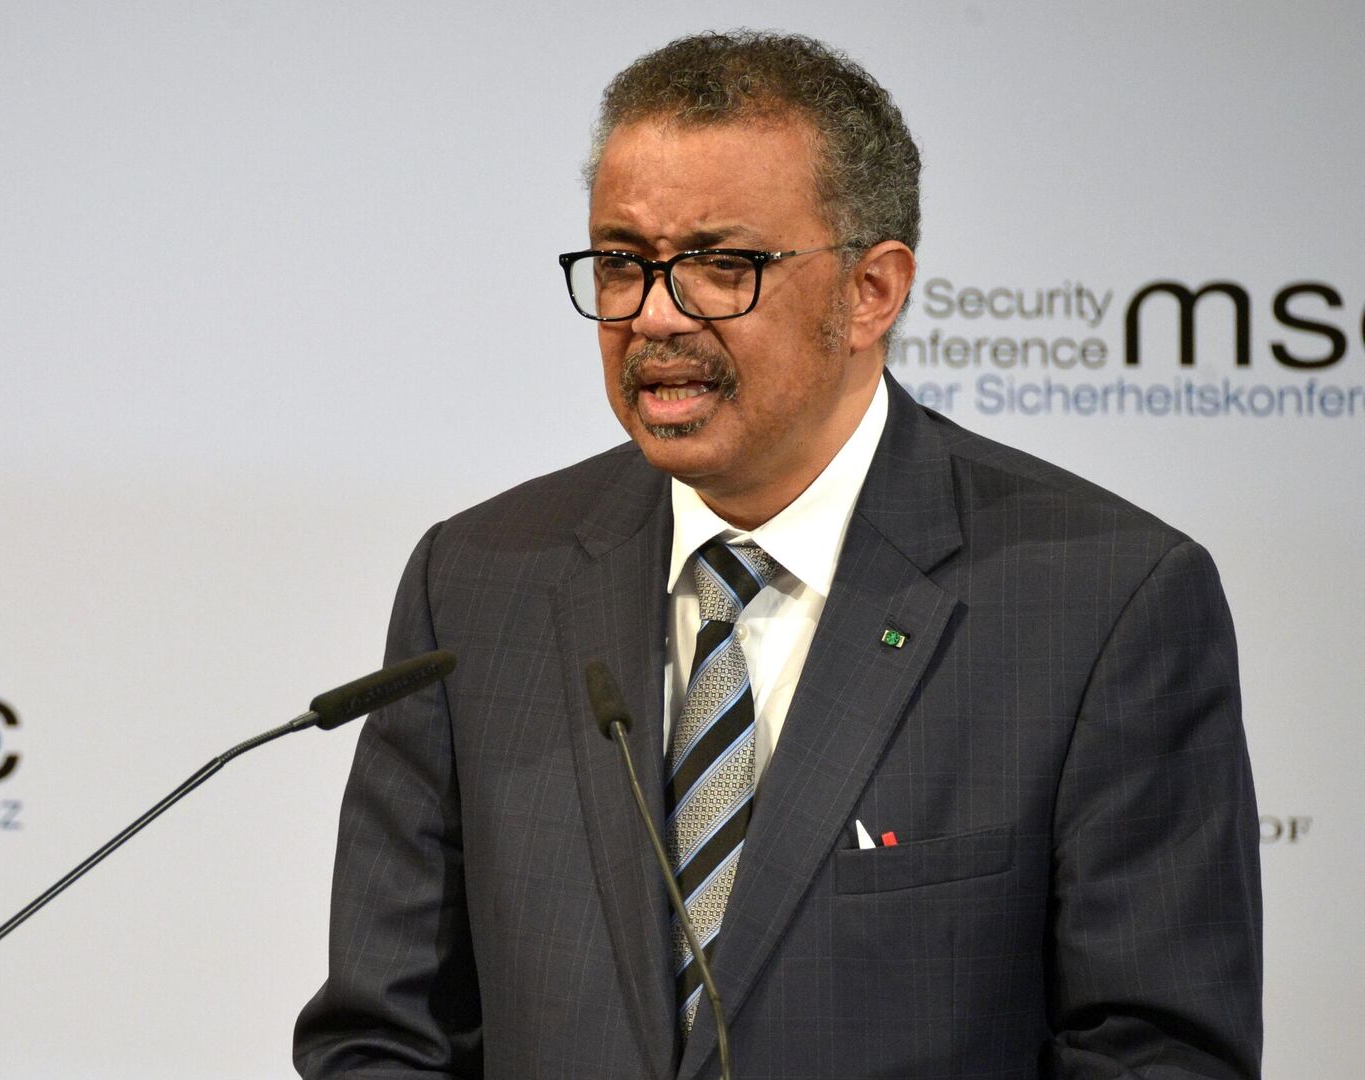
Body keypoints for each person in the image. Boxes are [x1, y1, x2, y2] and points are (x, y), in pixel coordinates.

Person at [294, 30, 1261, 1080]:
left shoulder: (1102, 602)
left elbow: (1157, 1055)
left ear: (871, 291)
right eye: (621, 262)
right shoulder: (479, 582)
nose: (653, 314)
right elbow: (386, 1036)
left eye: (722, 266)